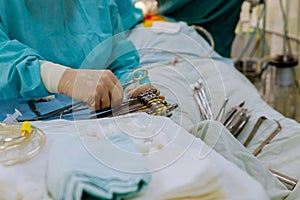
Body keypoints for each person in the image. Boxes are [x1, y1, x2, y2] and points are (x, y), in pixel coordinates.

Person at [0, 0, 154, 117]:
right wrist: (61, 79)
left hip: (95, 123)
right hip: (17, 126)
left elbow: (119, 60)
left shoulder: (99, 4)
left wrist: (132, 86)